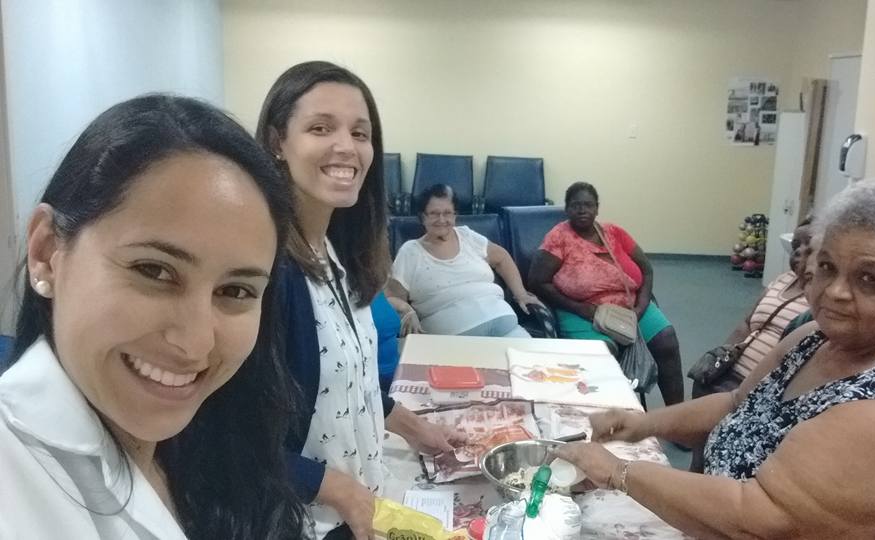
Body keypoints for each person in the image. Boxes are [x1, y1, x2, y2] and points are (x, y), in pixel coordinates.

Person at [557, 177, 875, 538]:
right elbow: (737, 403)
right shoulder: (817, 338)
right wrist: (643, 424)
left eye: (869, 278)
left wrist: (618, 472)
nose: (835, 291)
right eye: (827, 267)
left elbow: (762, 519)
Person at [0, 95, 307, 539]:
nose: (196, 343)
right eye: (154, 271)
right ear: (46, 252)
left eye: (235, 291)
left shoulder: (219, 441)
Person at [256, 61, 462, 540]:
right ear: (276, 142)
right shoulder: (266, 269)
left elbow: (350, 384)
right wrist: (339, 490)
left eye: (360, 133)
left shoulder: (334, 250)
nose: (347, 147)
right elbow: (226, 438)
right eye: (320, 128)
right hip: (306, 521)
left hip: (360, 505)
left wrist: (417, 429)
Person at [528, 181, 684, 406]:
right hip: (582, 311)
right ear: (567, 209)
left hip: (631, 307)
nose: (582, 210)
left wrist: (641, 306)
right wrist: (580, 308)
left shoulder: (614, 233)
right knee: (603, 352)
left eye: (588, 205)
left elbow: (646, 270)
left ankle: (677, 413)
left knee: (666, 339)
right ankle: (613, 416)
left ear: (597, 208)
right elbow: (537, 281)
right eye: (576, 205)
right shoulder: (558, 238)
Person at [387, 184, 542, 338]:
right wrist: (406, 310)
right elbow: (391, 297)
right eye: (434, 213)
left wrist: (521, 294)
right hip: (452, 339)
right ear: (423, 217)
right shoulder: (410, 252)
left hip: (505, 323)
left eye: (447, 213)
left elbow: (502, 258)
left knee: (530, 353)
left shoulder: (467, 236)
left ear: (455, 215)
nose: (442, 219)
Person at [693, 216, 816, 397]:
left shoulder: (821, 298)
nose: (798, 251)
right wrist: (719, 360)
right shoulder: (782, 280)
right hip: (732, 372)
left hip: (765, 387)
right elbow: (746, 323)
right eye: (796, 244)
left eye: (808, 245)